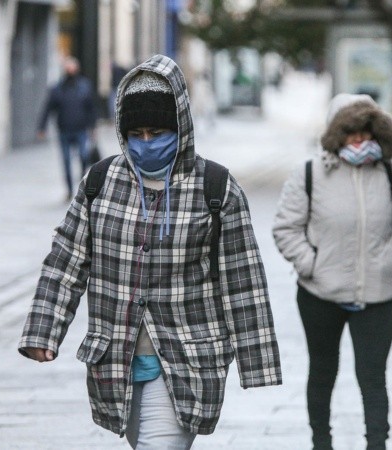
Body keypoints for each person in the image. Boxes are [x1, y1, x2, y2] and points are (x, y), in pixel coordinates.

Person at [19, 54, 282, 449]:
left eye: (157, 132)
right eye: (136, 133)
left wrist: (257, 363)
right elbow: (66, 262)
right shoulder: (100, 183)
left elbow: (242, 280)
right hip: (115, 364)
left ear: (179, 125)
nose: (146, 143)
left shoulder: (215, 187)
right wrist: (43, 331)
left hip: (188, 360)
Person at [272, 93, 392, 450]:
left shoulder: (389, 172)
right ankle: (321, 442)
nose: (359, 140)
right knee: (323, 371)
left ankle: (377, 443)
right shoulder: (309, 173)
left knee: (373, 375)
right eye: (351, 132)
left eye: (366, 132)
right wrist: (311, 265)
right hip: (320, 294)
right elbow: (286, 228)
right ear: (335, 132)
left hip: (378, 294)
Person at [37, 56, 98, 200]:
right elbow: (48, 108)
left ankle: (83, 182)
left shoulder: (84, 86)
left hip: (81, 129)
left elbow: (91, 108)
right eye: (67, 67)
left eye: (72, 67)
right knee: (66, 161)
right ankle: (70, 190)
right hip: (64, 130)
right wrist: (42, 127)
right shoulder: (57, 88)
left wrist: (93, 127)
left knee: (83, 156)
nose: (70, 70)